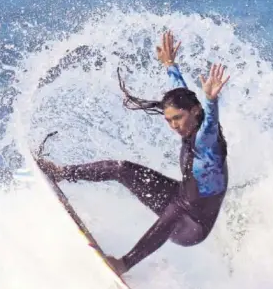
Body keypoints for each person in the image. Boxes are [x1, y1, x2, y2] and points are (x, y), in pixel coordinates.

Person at [37, 30, 230, 276]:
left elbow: (211, 122)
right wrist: (171, 65)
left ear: (194, 112)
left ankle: (124, 264)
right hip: (180, 196)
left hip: (194, 226)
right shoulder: (189, 114)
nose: (174, 126)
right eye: (169, 120)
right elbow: (180, 91)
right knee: (122, 169)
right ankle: (61, 173)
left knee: (174, 212)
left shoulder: (207, 139)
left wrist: (212, 100)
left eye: (177, 119)